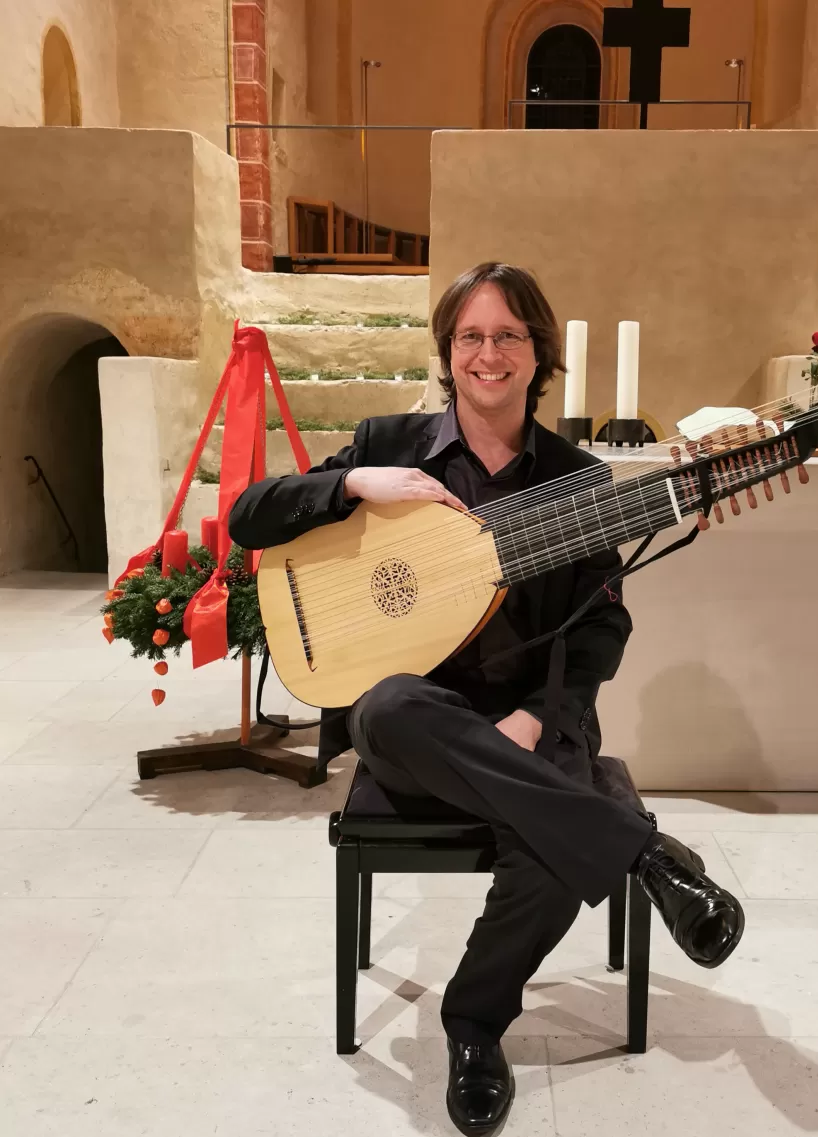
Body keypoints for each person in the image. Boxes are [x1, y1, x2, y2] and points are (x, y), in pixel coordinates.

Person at [229, 263, 744, 1136]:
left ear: (538, 353)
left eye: (508, 335)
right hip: (416, 726)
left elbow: (603, 628)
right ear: (447, 350)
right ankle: (642, 852)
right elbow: (250, 515)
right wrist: (352, 485)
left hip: (530, 721)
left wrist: (537, 716)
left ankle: (473, 1025)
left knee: (550, 843)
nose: (488, 353)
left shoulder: (577, 482)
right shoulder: (390, 445)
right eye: (470, 335)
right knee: (390, 706)